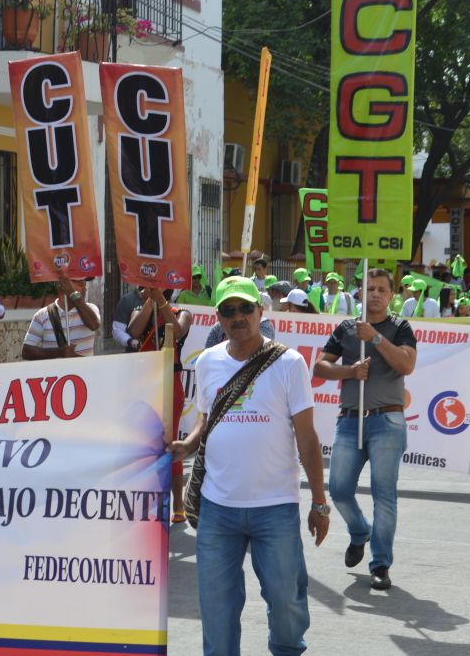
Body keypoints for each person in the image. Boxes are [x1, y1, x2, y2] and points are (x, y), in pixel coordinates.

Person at [171, 275, 329, 655]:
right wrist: (189, 444)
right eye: (228, 310)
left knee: (287, 603)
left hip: (274, 507)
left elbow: (307, 438)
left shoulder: (289, 364)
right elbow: (207, 418)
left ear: (261, 311)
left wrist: (320, 502)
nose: (237, 316)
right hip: (217, 509)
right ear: (219, 318)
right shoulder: (207, 362)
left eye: (245, 308)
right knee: (217, 609)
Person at [315, 268, 417, 591]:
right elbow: (319, 366)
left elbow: (406, 364)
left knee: (384, 495)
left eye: (381, 289)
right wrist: (349, 370)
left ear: (391, 294)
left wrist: (374, 338)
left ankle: (380, 564)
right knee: (339, 489)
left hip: (387, 420)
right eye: (369, 288)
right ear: (361, 293)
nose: (374, 293)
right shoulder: (346, 328)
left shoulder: (400, 327)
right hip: (349, 419)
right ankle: (360, 530)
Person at [127, 287, 193, 523]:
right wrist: (149, 303)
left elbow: (176, 331)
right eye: (143, 288)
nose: (143, 290)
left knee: (169, 441)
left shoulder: (181, 312)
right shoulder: (139, 311)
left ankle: (177, 503)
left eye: (148, 287)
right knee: (144, 443)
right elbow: (133, 330)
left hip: (169, 384)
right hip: (142, 384)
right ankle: (148, 499)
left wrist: (160, 301)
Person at [21, 277, 101, 359]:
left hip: (85, 371)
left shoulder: (91, 308)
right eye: (80, 283)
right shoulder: (42, 315)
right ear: (61, 284)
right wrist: (59, 352)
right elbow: (26, 351)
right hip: (56, 371)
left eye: (85, 283)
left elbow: (94, 325)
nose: (85, 288)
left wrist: (73, 293)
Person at [111, 284, 144, 351]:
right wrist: (130, 341)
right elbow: (117, 330)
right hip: (135, 351)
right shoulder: (127, 300)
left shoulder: (161, 299)